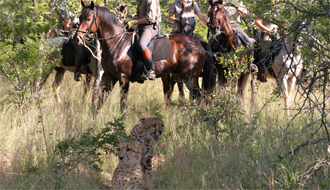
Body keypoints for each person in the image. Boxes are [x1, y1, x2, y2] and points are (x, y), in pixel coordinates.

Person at [123, 0, 162, 80]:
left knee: (142, 44)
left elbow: (149, 18)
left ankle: (151, 70)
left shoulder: (151, 1)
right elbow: (139, 16)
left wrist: (134, 22)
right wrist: (128, 19)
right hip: (141, 26)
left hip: (150, 26)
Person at [253, 2, 279, 82]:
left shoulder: (281, 10)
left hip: (277, 33)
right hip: (266, 33)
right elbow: (257, 22)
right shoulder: (266, 9)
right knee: (265, 50)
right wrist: (267, 29)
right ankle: (260, 73)